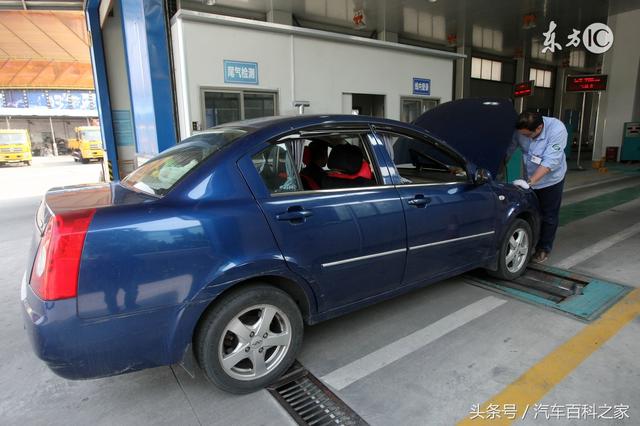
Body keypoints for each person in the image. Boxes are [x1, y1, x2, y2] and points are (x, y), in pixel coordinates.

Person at [511, 111, 568, 263]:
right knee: (531, 212)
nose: (525, 137)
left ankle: (543, 248)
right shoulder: (521, 130)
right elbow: (509, 149)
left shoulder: (557, 129)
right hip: (529, 176)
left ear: (539, 128)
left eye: (528, 135)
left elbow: (551, 161)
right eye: (522, 135)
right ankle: (529, 243)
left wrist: (530, 182)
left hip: (551, 180)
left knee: (548, 215)